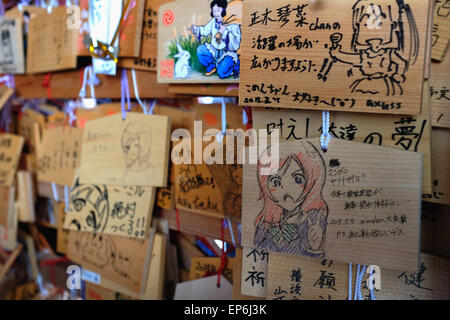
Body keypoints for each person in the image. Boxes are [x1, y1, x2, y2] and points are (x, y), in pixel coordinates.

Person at [328, 0, 419, 96]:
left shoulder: (388, 53)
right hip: (365, 82)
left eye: (380, 24)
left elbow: (401, 63)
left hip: (383, 83)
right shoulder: (365, 54)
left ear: (393, 25)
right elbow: (352, 59)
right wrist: (337, 53)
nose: (372, 28)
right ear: (357, 27)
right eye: (365, 24)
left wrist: (398, 74)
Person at [254, 141, 328, 257]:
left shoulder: (314, 221)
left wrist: (315, 248)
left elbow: (315, 265)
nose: (286, 190)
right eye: (276, 182)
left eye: (298, 180)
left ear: (312, 181)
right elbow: (257, 250)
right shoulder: (266, 223)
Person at [190, 0, 241, 79]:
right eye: (214, 11)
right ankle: (212, 65)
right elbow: (205, 30)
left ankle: (234, 65)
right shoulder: (213, 22)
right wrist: (196, 29)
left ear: (225, 10)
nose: (216, 14)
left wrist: (225, 31)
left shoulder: (233, 24)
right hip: (214, 51)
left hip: (227, 53)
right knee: (200, 50)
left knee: (221, 73)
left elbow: (235, 45)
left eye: (218, 10)